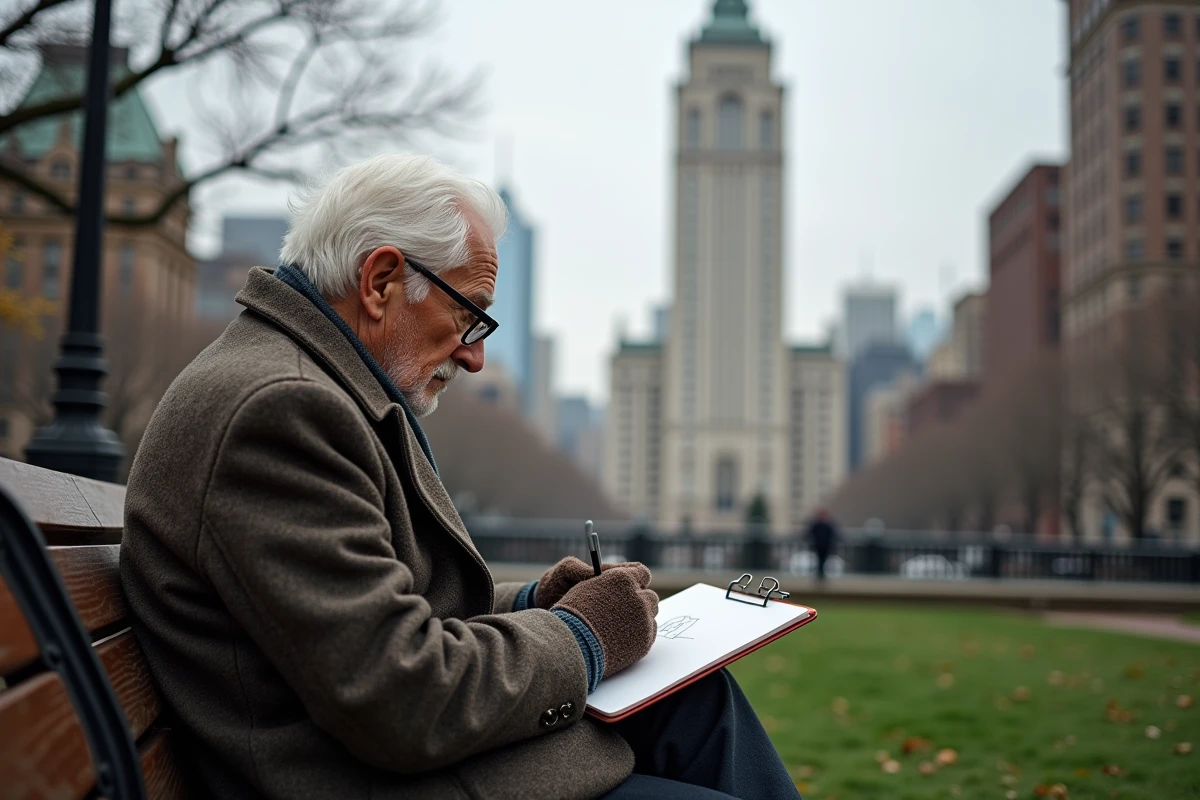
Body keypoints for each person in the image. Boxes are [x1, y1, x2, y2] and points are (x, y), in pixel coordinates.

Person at [121, 154, 801, 800]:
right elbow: (397, 694)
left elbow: (385, 619)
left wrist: (538, 599)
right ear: (381, 281)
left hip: (398, 766)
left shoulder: (311, 384)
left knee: (693, 693)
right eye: (469, 314)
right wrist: (583, 636)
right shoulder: (279, 410)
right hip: (381, 780)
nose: (475, 357)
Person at [806, 508, 838, 582]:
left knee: (823, 560)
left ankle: (821, 574)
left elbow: (834, 535)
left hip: (826, 546)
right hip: (818, 546)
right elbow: (809, 534)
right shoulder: (816, 525)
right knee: (819, 560)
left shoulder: (828, 525)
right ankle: (820, 574)